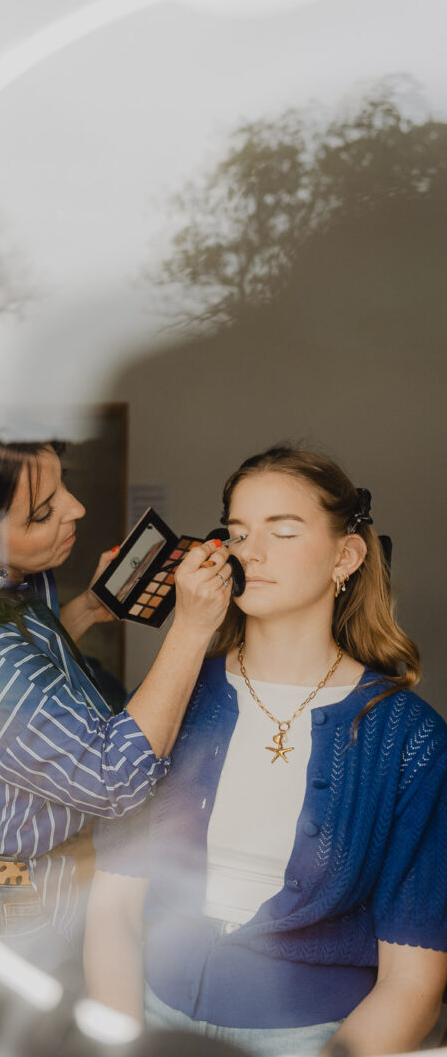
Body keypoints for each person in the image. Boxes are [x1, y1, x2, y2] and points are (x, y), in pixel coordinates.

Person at [85, 444, 447, 1056]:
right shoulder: (177, 702)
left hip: (313, 1039)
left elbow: (413, 980)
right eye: (237, 532)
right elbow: (113, 908)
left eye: (282, 532)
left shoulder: (408, 738)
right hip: (154, 1020)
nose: (249, 552)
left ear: (347, 556)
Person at [0, 439, 234, 972]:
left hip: (37, 877)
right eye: (43, 512)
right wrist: (191, 628)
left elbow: (19, 685)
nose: (76, 508)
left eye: (62, 483)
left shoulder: (0, 581)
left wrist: (89, 607)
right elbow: (114, 777)